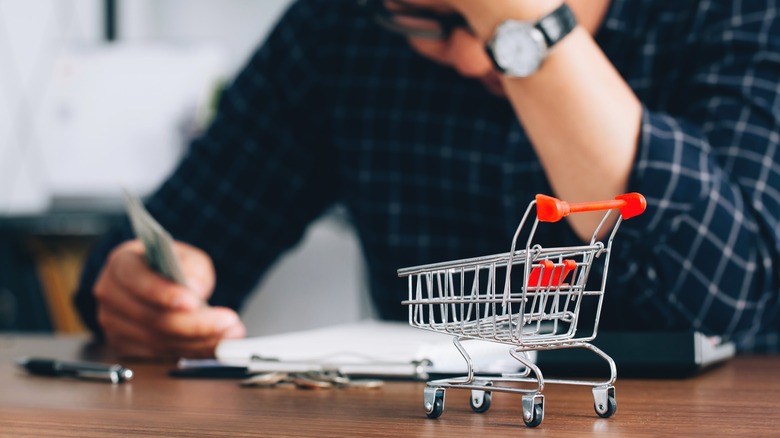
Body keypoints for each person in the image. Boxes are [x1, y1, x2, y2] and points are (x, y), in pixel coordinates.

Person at [74, 0, 780, 358]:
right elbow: (170, 247)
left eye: (499, 24)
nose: (478, 59)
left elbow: (721, 309)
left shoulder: (738, 16)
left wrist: (530, 34)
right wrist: (145, 291)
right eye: (428, 21)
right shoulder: (344, 32)